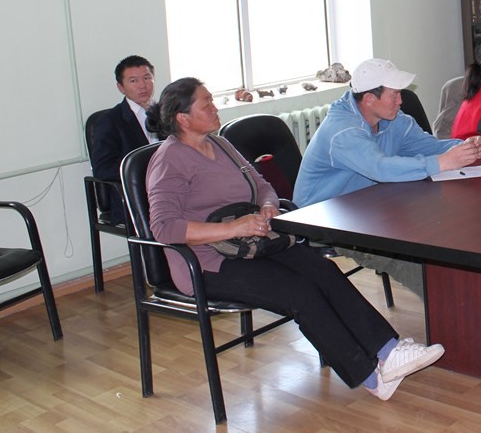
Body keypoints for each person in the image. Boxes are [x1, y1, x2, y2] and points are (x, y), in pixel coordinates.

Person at [145, 77, 445, 401]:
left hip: (252, 242)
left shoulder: (220, 144)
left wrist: (268, 206)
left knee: (323, 271)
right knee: (300, 292)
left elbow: (261, 184)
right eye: (207, 103)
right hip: (208, 262)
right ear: (183, 118)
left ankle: (389, 350)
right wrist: (234, 229)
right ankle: (370, 376)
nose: (215, 108)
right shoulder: (169, 160)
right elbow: (164, 227)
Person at [294, 58, 481, 297]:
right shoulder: (342, 131)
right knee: (408, 253)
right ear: (369, 99)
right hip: (326, 219)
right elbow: (380, 168)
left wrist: (463, 147)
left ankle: (470, 294)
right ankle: (450, 301)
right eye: (394, 95)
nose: (401, 101)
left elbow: (429, 146)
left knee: (445, 226)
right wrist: (443, 161)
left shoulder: (393, 120)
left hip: (369, 205)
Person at [90, 55, 158, 226]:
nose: (142, 85)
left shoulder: (166, 113)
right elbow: (103, 168)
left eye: (147, 78)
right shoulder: (110, 121)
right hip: (136, 196)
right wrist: (149, 174)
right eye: (134, 81)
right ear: (121, 87)